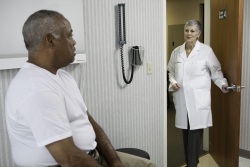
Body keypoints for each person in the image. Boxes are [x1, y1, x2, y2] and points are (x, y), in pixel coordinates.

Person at [5, 10, 156, 167]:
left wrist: (115, 161)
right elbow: (69, 159)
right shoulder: (36, 88)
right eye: (69, 35)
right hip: (70, 163)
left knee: (148, 165)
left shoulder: (64, 77)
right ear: (50, 41)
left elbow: (88, 121)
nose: (74, 42)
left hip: (90, 157)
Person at [167, 19, 229, 167]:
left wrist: (223, 84)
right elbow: (171, 71)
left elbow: (216, 72)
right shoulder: (176, 52)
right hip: (182, 100)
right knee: (186, 135)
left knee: (194, 136)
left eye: (192, 31)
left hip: (197, 102)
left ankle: (192, 164)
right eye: (186, 30)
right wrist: (172, 82)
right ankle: (192, 162)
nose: (189, 33)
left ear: (198, 34)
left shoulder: (206, 51)